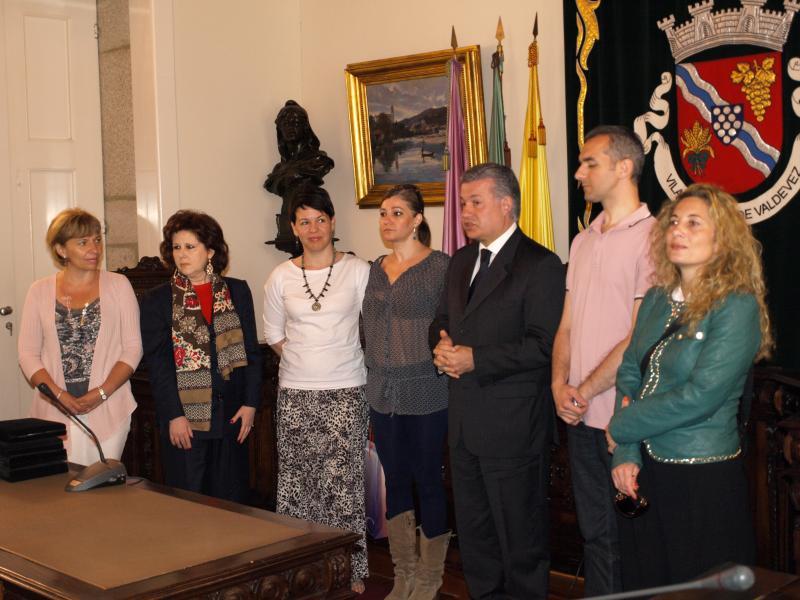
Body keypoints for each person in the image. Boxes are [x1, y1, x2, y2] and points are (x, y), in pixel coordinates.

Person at [606, 183, 773, 589]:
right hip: (647, 471)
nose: (678, 230)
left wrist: (622, 427)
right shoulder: (657, 298)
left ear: (723, 239)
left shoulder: (737, 305)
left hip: (701, 477)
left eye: (694, 223)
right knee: (648, 583)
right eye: (674, 222)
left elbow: (701, 396)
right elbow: (629, 374)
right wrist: (626, 453)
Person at [430, 163, 565, 599]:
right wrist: (440, 345)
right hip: (464, 425)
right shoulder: (461, 261)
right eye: (462, 203)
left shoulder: (540, 264)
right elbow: (442, 320)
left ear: (507, 204)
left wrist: (477, 359)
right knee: (476, 539)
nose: (465, 212)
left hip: (513, 428)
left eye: (476, 202)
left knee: (520, 541)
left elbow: (544, 345)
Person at [551, 125, 654, 595]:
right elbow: (566, 326)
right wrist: (559, 385)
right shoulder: (583, 240)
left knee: (631, 539)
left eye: (589, 163)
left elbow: (639, 336)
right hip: (578, 414)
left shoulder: (655, 237)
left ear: (624, 167)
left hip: (625, 418)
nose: (579, 173)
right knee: (595, 536)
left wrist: (584, 390)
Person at [262, 185, 371, 593]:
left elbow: (373, 326)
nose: (313, 229)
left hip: (346, 389)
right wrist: (304, 358)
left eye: (320, 220)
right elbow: (273, 334)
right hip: (295, 391)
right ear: (293, 227)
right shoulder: (280, 277)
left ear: (332, 222)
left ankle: (349, 570)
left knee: (342, 484)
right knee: (298, 481)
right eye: (304, 221)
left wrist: (331, 358)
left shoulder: (358, 271)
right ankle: (300, 568)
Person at [362, 184, 450, 600]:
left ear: (417, 220)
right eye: (383, 213)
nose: (387, 220)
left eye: (397, 213)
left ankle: (430, 578)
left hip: (426, 390)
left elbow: (451, 324)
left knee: (427, 480)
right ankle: (404, 574)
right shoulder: (375, 268)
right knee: (395, 479)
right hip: (382, 392)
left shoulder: (440, 266)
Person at [140, 210, 262, 503]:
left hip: (232, 415)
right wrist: (174, 415)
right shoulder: (158, 299)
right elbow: (159, 366)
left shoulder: (237, 291)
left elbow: (251, 352)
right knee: (189, 504)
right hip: (186, 420)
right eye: (176, 247)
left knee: (231, 502)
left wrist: (250, 404)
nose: (182, 254)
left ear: (210, 251)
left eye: (190, 247)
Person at [18, 208, 142, 464]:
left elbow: (132, 348)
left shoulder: (119, 285)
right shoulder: (38, 291)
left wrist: (102, 393)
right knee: (58, 485)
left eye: (97, 240)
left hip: (109, 407)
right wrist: (58, 395)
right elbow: (27, 354)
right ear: (61, 249)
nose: (94, 248)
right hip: (53, 410)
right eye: (83, 242)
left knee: (102, 483)